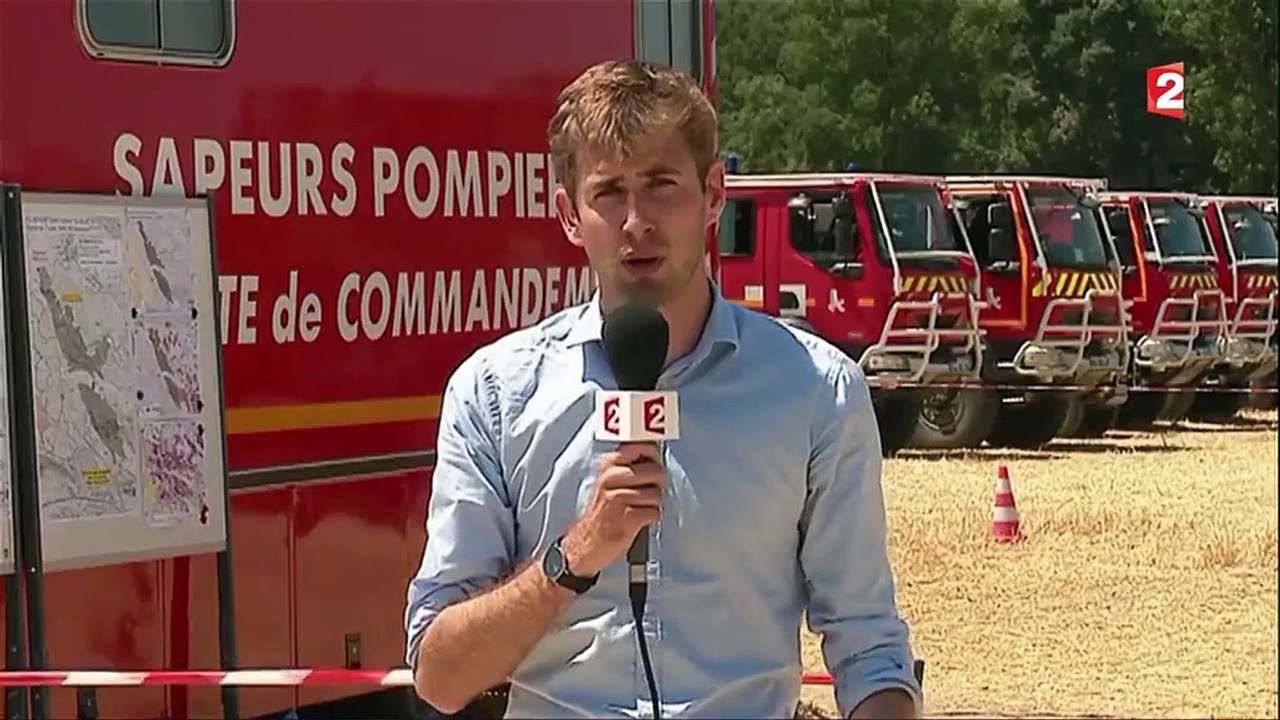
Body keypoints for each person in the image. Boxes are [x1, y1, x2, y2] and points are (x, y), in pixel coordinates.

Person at [404, 59, 922, 719]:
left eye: (661, 185)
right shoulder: (495, 394)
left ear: (713, 195)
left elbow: (868, 644)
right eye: (610, 192)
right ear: (568, 213)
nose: (636, 221)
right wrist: (575, 556)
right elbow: (439, 676)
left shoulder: (814, 390)